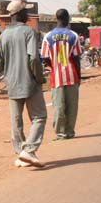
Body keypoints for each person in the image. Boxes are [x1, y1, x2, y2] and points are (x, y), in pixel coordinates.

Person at [0, 0, 47, 168]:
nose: (27, 15)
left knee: (16, 121)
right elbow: (34, 58)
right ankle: (29, 150)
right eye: (25, 11)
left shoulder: (3, 36)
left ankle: (20, 154)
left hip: (12, 83)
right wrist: (39, 77)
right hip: (30, 82)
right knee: (39, 117)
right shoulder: (29, 32)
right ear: (20, 14)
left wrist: (9, 73)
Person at [40, 9, 82, 140]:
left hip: (56, 76)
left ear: (56, 18)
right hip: (71, 74)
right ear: (68, 18)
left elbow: (45, 56)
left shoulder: (48, 37)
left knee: (58, 105)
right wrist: (79, 76)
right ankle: (70, 131)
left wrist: (53, 66)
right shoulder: (73, 35)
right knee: (72, 106)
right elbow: (76, 58)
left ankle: (60, 133)